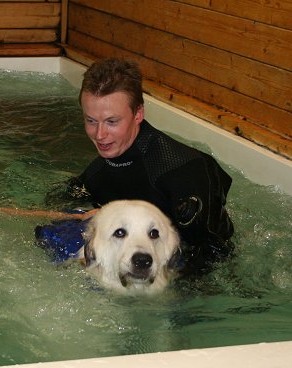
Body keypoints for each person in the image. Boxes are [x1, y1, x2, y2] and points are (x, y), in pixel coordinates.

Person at [67, 58, 235, 272]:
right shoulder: (95, 176)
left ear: (138, 114)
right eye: (91, 121)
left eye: (112, 121)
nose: (99, 135)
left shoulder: (186, 170)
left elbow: (213, 255)